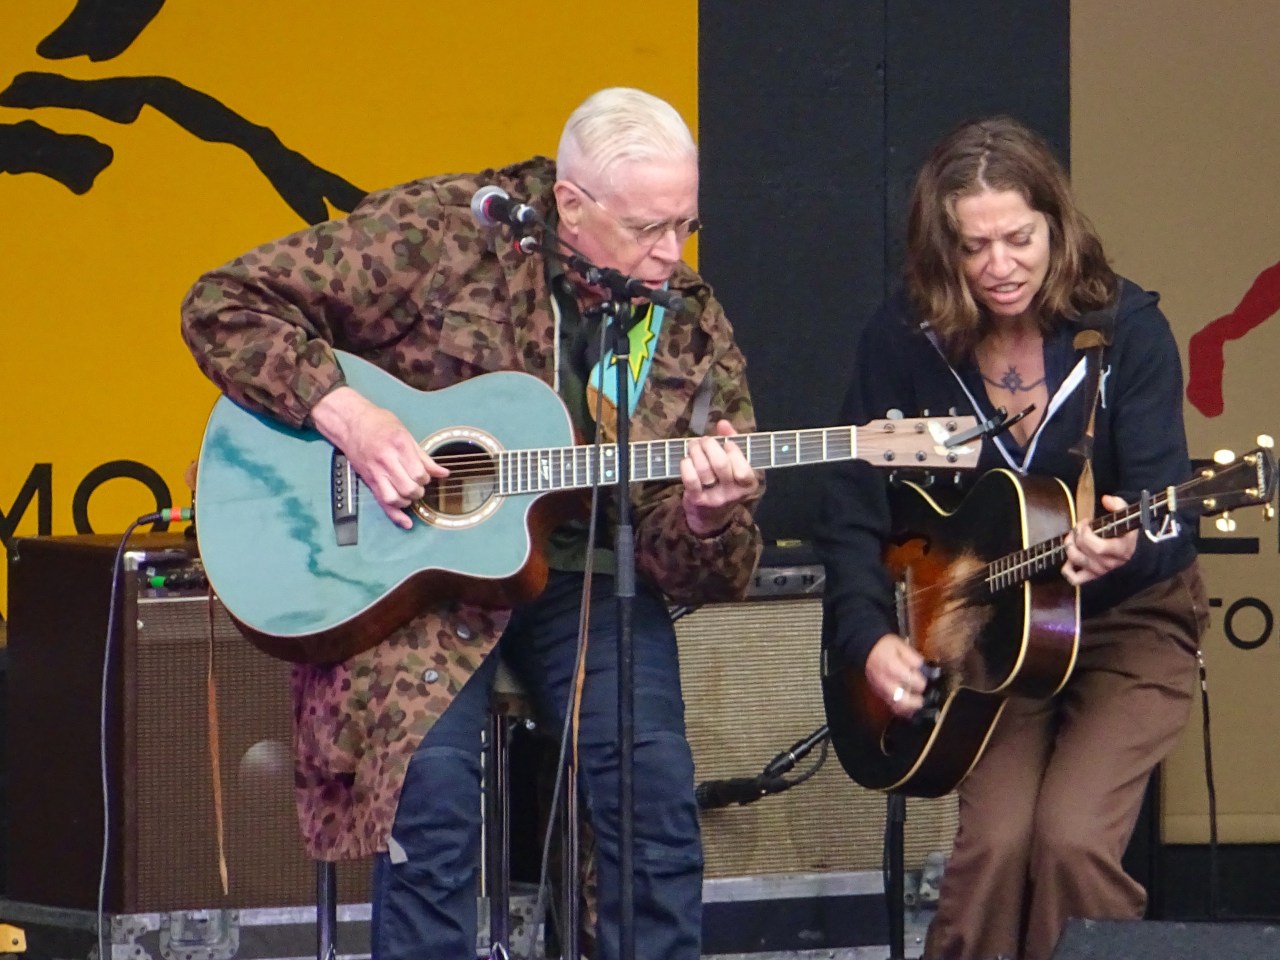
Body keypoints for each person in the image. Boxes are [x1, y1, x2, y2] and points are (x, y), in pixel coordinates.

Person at [180, 87, 764, 960]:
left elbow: (709, 569)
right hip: (413, 574)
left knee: (651, 791)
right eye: (646, 228)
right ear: (571, 205)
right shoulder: (447, 236)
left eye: (683, 224)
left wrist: (706, 516)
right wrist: (349, 415)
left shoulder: (683, 321)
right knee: (435, 800)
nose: (668, 253)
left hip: (590, 577)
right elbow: (222, 303)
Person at [816, 116, 1207, 960]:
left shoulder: (1127, 331)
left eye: (1018, 238)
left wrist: (1127, 546)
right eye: (973, 245)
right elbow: (851, 500)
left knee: (1070, 840)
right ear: (941, 249)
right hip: (989, 629)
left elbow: (1171, 516)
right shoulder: (906, 339)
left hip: (1124, 623)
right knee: (993, 849)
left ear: (1056, 225)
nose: (999, 266)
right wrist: (869, 634)